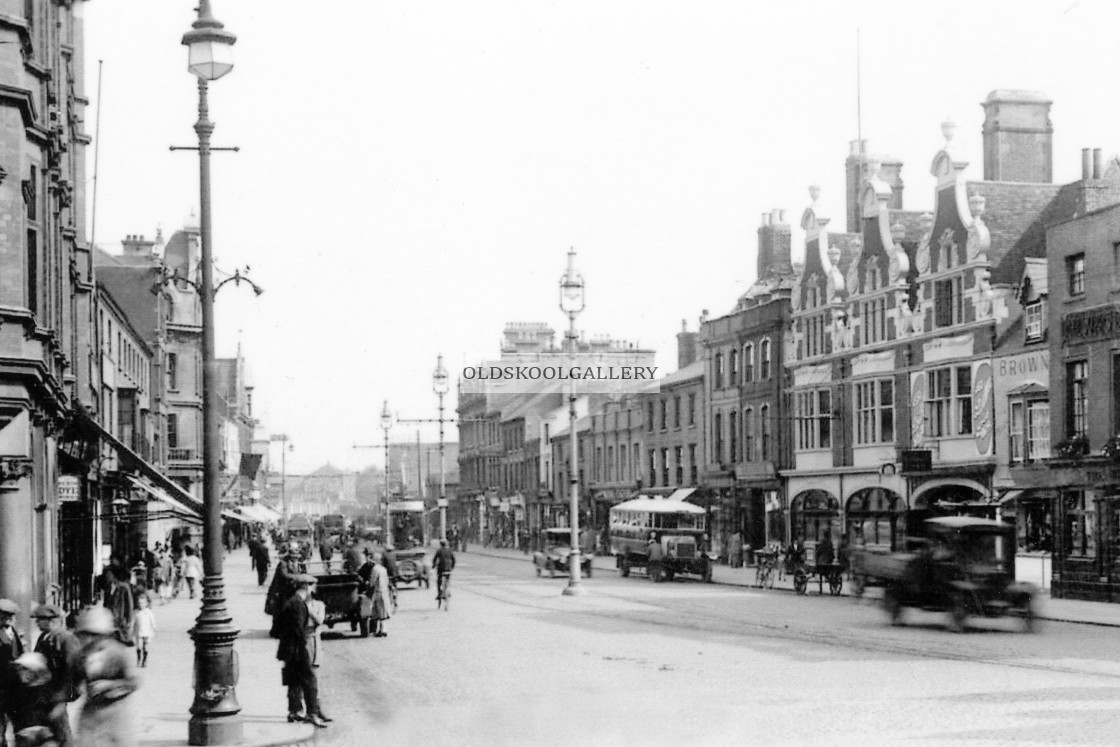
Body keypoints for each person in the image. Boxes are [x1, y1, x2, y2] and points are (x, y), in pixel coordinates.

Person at [72, 606, 139, 746]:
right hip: (91, 712)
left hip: (116, 711)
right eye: (85, 635)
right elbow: (74, 682)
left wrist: (110, 685)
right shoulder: (81, 655)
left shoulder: (117, 653)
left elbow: (134, 682)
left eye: (94, 635)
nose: (89, 639)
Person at [275, 575, 328, 728]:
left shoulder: (289, 601)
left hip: (288, 648)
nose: (313, 589)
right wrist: (302, 644)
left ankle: (294, 712)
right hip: (298, 648)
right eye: (312, 585)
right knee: (310, 680)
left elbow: (277, 628)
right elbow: (299, 629)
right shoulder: (298, 604)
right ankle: (312, 713)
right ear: (305, 586)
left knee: (293, 680)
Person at [31, 603, 79, 746]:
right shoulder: (44, 637)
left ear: (51, 620)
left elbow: (73, 668)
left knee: (61, 731)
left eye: (39, 619)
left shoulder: (65, 638)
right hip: (44, 693)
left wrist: (65, 695)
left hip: (57, 694)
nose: (37, 622)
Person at [0, 599, 24, 744]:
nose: (9, 619)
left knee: (18, 723)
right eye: (4, 616)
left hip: (15, 687)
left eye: (11, 616)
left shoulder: (13, 631)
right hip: (1, 687)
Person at [104, 569, 134, 648]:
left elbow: (129, 603)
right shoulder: (108, 588)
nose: (107, 577)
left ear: (114, 576)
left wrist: (129, 619)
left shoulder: (123, 587)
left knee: (121, 642)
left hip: (121, 618)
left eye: (109, 575)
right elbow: (106, 604)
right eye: (106, 575)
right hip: (110, 619)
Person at [370, 554, 392, 635]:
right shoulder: (383, 569)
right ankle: (382, 629)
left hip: (378, 591)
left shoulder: (375, 569)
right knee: (383, 610)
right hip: (385, 591)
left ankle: (383, 629)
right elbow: (386, 581)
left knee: (378, 610)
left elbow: (372, 582)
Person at [130, 596, 155, 669]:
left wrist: (153, 629)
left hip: (147, 633)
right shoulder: (136, 613)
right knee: (139, 647)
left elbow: (152, 622)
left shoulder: (149, 612)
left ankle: (144, 660)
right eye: (139, 603)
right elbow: (133, 622)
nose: (140, 604)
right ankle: (139, 659)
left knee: (146, 647)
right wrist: (132, 631)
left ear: (146, 604)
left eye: (142, 603)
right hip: (139, 632)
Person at [432, 539, 455, 611]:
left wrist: (433, 566)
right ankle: (448, 590)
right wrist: (452, 567)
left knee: (438, 581)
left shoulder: (439, 551)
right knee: (447, 580)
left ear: (440, 544)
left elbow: (434, 559)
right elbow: (453, 560)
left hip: (441, 569)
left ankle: (439, 593)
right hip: (448, 569)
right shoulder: (450, 551)